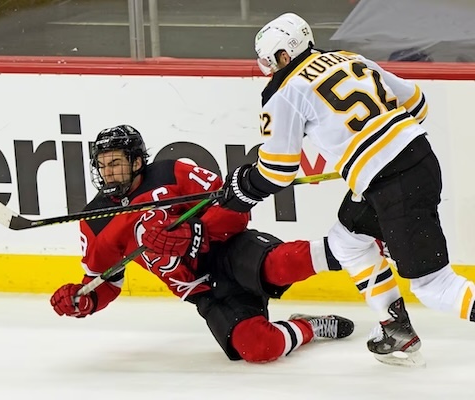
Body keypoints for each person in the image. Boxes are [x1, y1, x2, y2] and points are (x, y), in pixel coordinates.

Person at [219, 12, 475, 366]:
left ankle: (399, 328)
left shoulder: (285, 90)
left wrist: (241, 188)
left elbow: (278, 170)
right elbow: (417, 104)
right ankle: (396, 330)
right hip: (415, 161)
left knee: (434, 287)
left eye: (269, 60)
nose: (267, 68)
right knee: (346, 241)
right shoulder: (349, 58)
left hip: (392, 183)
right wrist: (373, 146)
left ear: (283, 55)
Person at [50, 124, 354, 363]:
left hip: (226, 251)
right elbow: (104, 281)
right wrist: (84, 300)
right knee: (259, 348)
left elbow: (237, 210)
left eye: (116, 163)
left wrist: (194, 233)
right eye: (103, 165)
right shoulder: (95, 221)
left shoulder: (171, 173)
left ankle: (356, 246)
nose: (108, 172)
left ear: (137, 161)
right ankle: (311, 326)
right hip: (203, 291)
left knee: (283, 264)